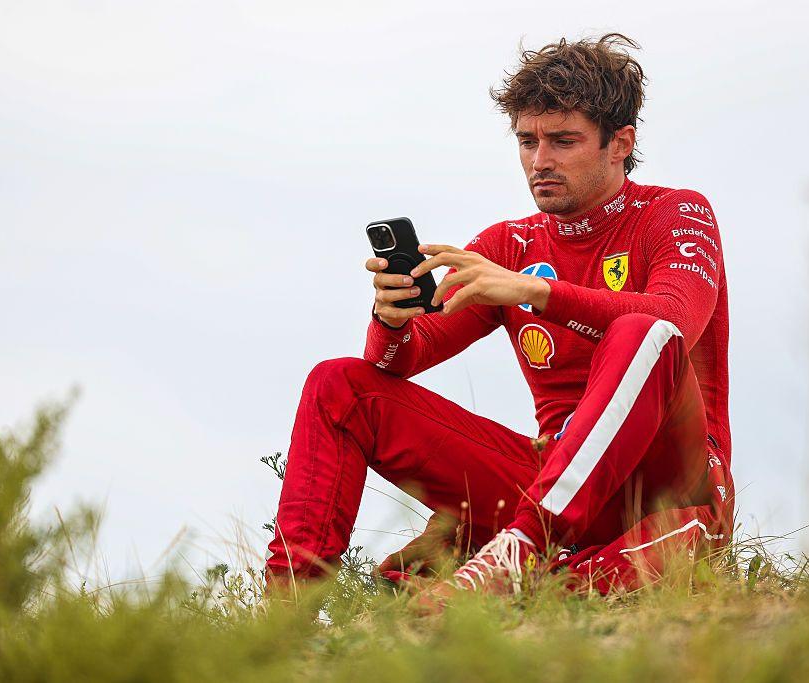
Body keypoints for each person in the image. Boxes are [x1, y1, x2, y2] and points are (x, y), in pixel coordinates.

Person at [264, 34, 732, 596]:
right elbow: (397, 361)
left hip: (668, 490)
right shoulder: (509, 246)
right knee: (338, 383)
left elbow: (675, 319)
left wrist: (536, 293)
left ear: (619, 144)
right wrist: (390, 320)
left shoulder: (677, 212)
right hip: (553, 483)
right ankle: (285, 613)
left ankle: (518, 551)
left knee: (643, 330)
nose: (540, 161)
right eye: (527, 141)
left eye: (563, 141)